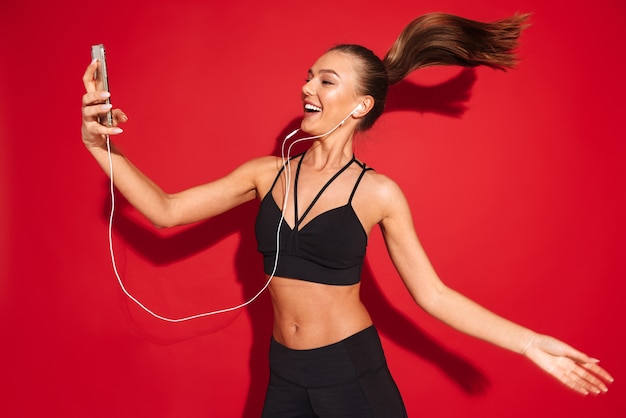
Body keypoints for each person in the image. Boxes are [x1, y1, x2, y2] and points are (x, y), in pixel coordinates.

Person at [81, 12, 613, 418]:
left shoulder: (377, 193)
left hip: (350, 374)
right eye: (309, 76)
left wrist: (529, 343)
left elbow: (432, 295)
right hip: (283, 372)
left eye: (326, 80)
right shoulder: (265, 173)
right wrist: (100, 146)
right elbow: (166, 211)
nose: (307, 87)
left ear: (360, 106)